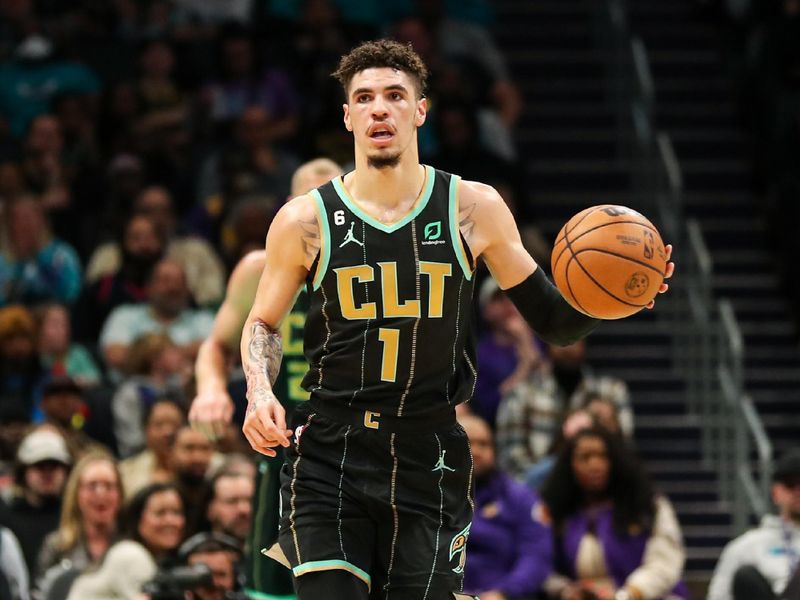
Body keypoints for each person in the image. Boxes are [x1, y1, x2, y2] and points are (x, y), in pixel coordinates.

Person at [239, 40, 673, 600]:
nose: (379, 109)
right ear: (347, 116)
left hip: (431, 450)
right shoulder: (303, 220)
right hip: (332, 448)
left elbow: (553, 320)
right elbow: (264, 324)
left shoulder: (474, 207)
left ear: (421, 110)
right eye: (364, 97)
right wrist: (257, 390)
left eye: (395, 96)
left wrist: (615, 296)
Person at [189, 157, 342, 599]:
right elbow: (216, 345)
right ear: (291, 207)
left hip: (351, 438)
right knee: (272, 588)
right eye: (309, 204)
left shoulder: (372, 263)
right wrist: (212, 388)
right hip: (282, 442)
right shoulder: (259, 267)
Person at [539, 427, 687, 600]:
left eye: (603, 456)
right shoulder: (556, 510)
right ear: (570, 464)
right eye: (585, 458)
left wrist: (627, 594)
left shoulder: (649, 505)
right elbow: (539, 563)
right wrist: (566, 590)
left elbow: (664, 563)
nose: (595, 465)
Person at [459, 414, 552, 600]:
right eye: (468, 443)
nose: (476, 451)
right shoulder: (432, 499)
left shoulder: (521, 498)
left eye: (484, 444)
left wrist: (505, 592)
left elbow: (536, 556)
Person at [66, 482, 186, 600]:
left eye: (177, 513)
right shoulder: (130, 553)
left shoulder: (172, 562)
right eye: (160, 513)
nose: (171, 521)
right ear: (138, 520)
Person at [707, 448, 800, 600]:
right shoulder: (746, 546)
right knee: (746, 577)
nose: (798, 491)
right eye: (791, 484)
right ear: (776, 492)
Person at [34, 452, 123, 599]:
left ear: (120, 495)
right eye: (92, 486)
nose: (101, 493)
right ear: (76, 494)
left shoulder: (132, 544)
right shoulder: (57, 545)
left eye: (109, 486)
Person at [0, 427, 72, 577]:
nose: (47, 474)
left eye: (54, 466)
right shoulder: (6, 518)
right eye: (39, 466)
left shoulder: (75, 515)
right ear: (23, 471)